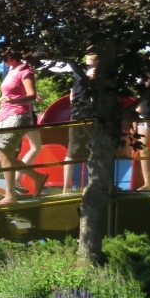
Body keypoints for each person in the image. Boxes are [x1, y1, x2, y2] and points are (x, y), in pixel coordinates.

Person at [0, 51, 48, 205]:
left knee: (5, 154)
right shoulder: (12, 70)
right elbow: (10, 94)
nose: (2, 61)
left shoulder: (25, 71)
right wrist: (0, 110)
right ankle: (37, 177)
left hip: (18, 116)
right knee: (3, 156)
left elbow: (31, 95)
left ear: (12, 57)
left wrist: (12, 101)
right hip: (6, 116)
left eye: (3, 58)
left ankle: (10, 196)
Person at [63, 54, 97, 195]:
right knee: (94, 149)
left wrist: (74, 103)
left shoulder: (76, 70)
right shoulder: (94, 71)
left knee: (71, 150)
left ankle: (66, 187)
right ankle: (92, 186)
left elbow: (72, 94)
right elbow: (94, 95)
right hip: (89, 113)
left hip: (76, 112)